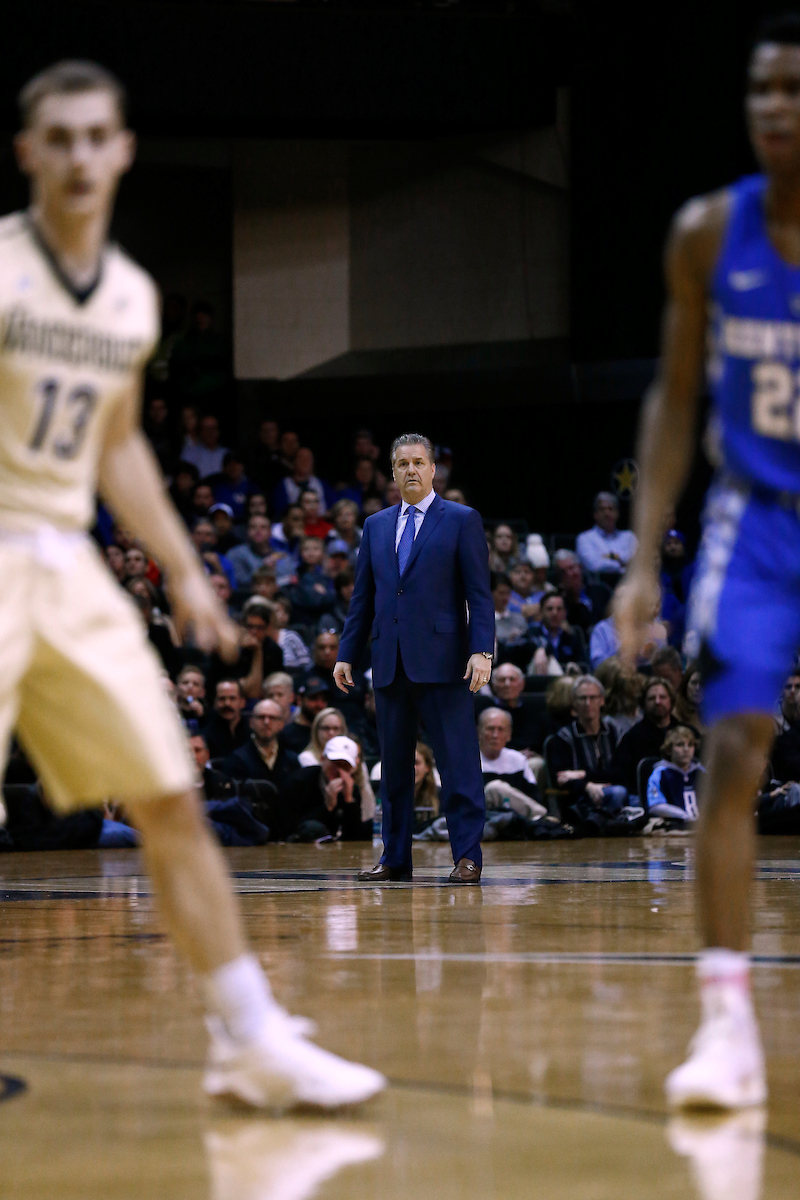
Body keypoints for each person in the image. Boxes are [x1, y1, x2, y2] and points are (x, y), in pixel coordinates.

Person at [0, 60, 382, 1109]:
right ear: (30, 154)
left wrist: (181, 569)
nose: (80, 155)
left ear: (122, 149)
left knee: (168, 790)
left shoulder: (126, 297)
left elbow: (118, 447)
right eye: (59, 138)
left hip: (64, 558)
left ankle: (250, 1040)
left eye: (97, 136)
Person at [611, 12, 800, 1114]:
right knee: (732, 750)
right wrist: (641, 558)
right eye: (760, 90)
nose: (774, 108)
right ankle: (725, 1028)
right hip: (755, 523)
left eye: (793, 90)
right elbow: (672, 402)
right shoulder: (702, 233)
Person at [335, 432, 494, 884]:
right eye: (402, 463)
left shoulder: (462, 520)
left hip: (446, 662)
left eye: (418, 462)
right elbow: (363, 597)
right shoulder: (376, 525)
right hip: (389, 661)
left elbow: (480, 596)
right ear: (392, 471)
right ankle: (395, 858)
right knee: (395, 770)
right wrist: (347, 652)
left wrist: (482, 650)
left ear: (432, 469)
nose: (410, 470)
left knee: (458, 764)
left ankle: (467, 856)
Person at [546, 675, 628, 815]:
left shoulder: (615, 732)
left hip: (613, 790)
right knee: (619, 793)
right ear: (575, 703)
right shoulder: (563, 737)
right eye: (582, 698)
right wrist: (587, 786)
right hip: (580, 797)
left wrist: (582, 774)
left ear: (602, 700)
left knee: (637, 801)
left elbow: (622, 773)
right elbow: (561, 779)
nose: (588, 703)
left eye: (592, 698)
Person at [279, 736, 373, 842]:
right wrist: (328, 806)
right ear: (322, 759)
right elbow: (293, 828)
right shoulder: (299, 782)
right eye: (335, 763)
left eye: (345, 766)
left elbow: (354, 837)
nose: (339, 771)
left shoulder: (351, 788)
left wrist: (349, 800)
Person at [296, 706, 377, 818]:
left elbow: (368, 805)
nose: (331, 733)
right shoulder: (307, 760)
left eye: (336, 728)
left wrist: (350, 799)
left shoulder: (356, 761)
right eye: (326, 728)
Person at [613, 678, 683, 795]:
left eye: (663, 697)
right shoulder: (632, 737)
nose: (657, 701)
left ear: (671, 700)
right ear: (643, 703)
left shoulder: (685, 732)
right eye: (651, 698)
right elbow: (619, 774)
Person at [221, 698, 299, 794]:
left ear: (281, 724)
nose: (266, 722)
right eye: (261, 717)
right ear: (251, 722)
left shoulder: (292, 760)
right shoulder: (236, 759)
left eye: (272, 718)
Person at [475, 662, 549, 757]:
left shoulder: (534, 710)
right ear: (493, 685)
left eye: (512, 679)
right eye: (502, 680)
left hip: (528, 759)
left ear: (522, 684)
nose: (507, 684)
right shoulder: (481, 709)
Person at [646, 726, 705, 824]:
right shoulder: (661, 773)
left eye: (690, 745)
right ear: (669, 749)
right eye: (680, 745)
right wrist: (683, 815)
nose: (686, 749)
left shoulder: (701, 772)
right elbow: (655, 806)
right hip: (674, 826)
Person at [576, 492, 637, 580]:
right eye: (602, 509)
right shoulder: (584, 538)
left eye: (611, 509)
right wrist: (621, 563)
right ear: (595, 514)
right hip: (598, 587)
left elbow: (636, 564)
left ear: (617, 513)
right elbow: (594, 566)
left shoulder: (629, 537)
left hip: (627, 585)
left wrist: (606, 558)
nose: (607, 513)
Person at [529, 594, 584, 672]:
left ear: (565, 613)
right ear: (541, 611)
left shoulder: (571, 637)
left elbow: (582, 665)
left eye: (559, 609)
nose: (554, 613)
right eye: (549, 609)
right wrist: (538, 650)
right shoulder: (531, 633)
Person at [272, 447, 333, 516]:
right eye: (301, 458)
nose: (305, 461)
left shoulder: (322, 484)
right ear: (293, 461)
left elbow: (332, 509)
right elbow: (279, 513)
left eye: (308, 458)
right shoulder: (283, 485)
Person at [281, 674, 330, 754]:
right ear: (299, 700)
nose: (319, 704)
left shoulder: (330, 732)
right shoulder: (287, 735)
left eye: (324, 700)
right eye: (313, 698)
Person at [203, 680, 250, 759]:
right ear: (214, 703)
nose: (227, 703)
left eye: (232, 698)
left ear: (242, 702)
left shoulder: (253, 734)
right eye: (222, 699)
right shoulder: (205, 737)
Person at [181, 413, 229, 481]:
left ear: (218, 431)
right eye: (206, 428)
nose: (210, 432)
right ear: (201, 432)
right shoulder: (189, 454)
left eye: (213, 428)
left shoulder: (226, 454)